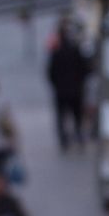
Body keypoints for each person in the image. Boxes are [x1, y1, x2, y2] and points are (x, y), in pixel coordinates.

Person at [47, 20, 90, 151]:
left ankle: (64, 140)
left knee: (61, 117)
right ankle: (78, 136)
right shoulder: (75, 51)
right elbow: (85, 69)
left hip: (61, 91)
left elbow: (50, 73)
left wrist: (57, 85)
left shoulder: (56, 53)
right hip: (76, 90)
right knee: (77, 116)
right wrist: (80, 82)